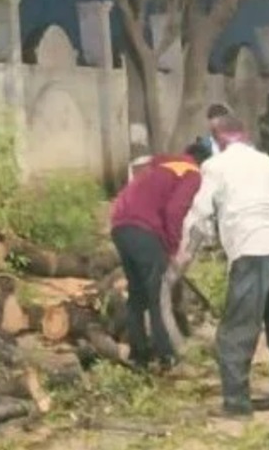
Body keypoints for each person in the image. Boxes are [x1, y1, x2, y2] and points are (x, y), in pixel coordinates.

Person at [182, 115, 269, 418]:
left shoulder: (215, 166)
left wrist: (185, 255)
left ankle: (237, 402)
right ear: (245, 136)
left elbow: (200, 215)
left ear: (216, 139)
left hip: (251, 250)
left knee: (236, 331)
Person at [110, 143, 207, 371]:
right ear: (201, 161)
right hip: (144, 230)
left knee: (137, 293)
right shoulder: (192, 173)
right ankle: (166, 356)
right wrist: (173, 248)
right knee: (158, 295)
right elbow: (175, 211)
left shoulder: (160, 167)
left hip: (120, 227)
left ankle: (139, 355)